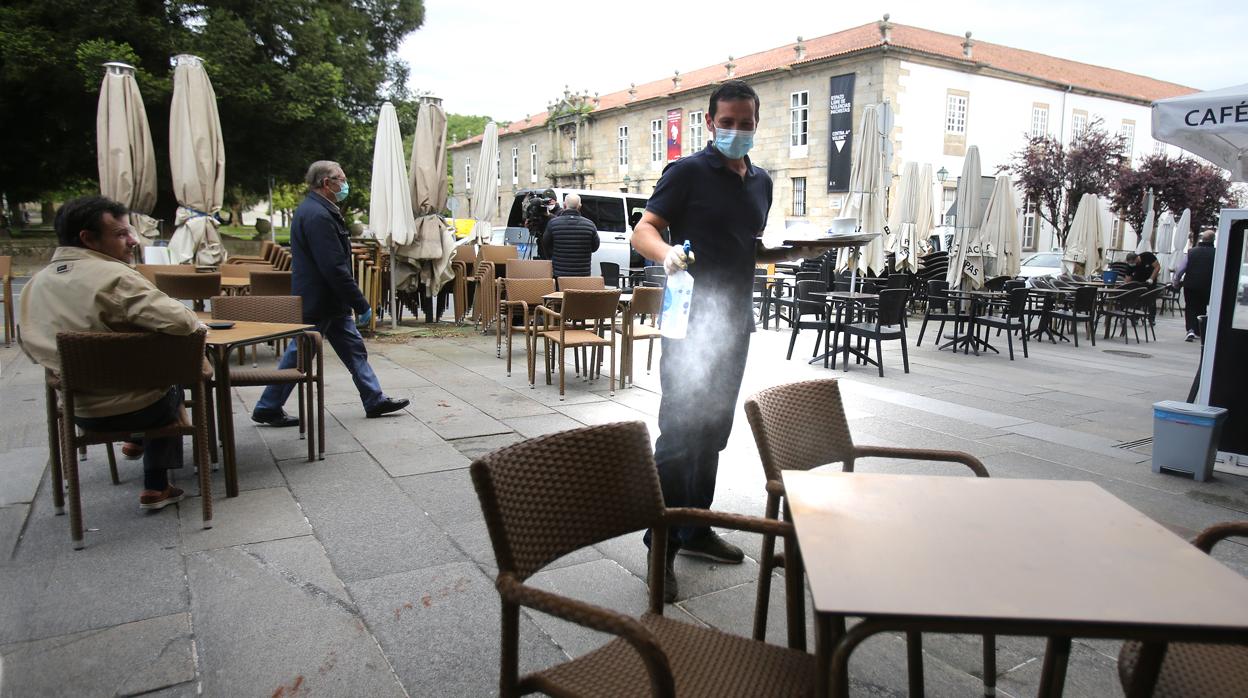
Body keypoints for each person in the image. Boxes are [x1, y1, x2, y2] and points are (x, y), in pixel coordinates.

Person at [630, 80, 817, 601]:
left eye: (745, 122)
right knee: (680, 433)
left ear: (757, 123)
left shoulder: (761, 182)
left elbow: (744, 247)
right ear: (710, 124)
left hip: (734, 321)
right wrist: (664, 253)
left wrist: (788, 254)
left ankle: (696, 528)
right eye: (727, 122)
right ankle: (660, 546)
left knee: (712, 433)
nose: (736, 130)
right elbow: (643, 229)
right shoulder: (687, 171)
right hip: (689, 320)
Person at [19, 196, 202, 510]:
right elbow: (184, 322)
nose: (132, 240)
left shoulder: (34, 286)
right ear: (88, 239)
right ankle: (156, 484)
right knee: (174, 380)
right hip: (141, 406)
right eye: (120, 234)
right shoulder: (116, 277)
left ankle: (137, 441)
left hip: (78, 410)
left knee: (151, 384)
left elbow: (30, 345)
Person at [252, 161, 409, 424]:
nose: (345, 184)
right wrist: (360, 303)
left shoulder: (315, 210)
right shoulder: (318, 215)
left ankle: (373, 398)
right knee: (300, 353)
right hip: (321, 300)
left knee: (353, 349)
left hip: (327, 300)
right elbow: (334, 266)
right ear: (327, 183)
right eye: (341, 179)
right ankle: (268, 405)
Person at [541, 193, 600, 277]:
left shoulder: (553, 224)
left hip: (559, 274)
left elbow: (545, 244)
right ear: (580, 206)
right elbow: (595, 247)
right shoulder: (590, 225)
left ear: (564, 205)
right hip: (582, 275)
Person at [1172, 230, 1216, 341]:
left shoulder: (1192, 252)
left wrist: (1176, 282)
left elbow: (1180, 269)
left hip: (1190, 285)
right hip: (1208, 285)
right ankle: (1199, 329)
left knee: (1190, 307)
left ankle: (1190, 330)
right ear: (1213, 240)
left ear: (1202, 239)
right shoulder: (1217, 253)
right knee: (1202, 307)